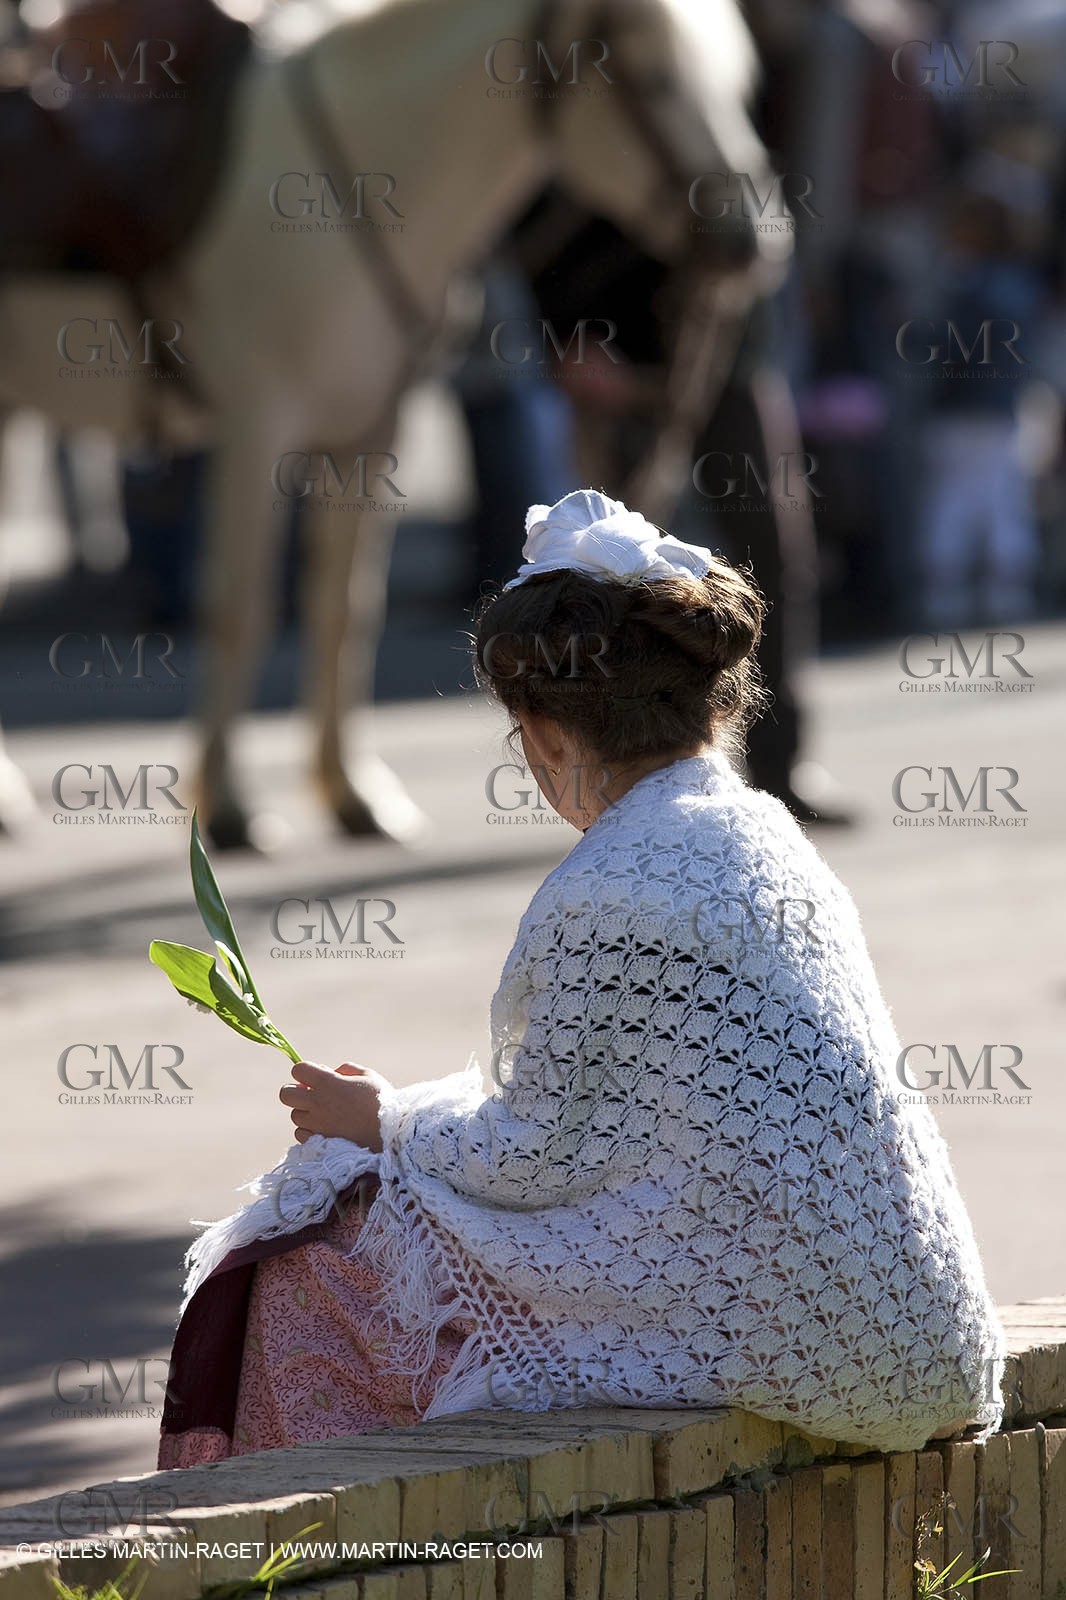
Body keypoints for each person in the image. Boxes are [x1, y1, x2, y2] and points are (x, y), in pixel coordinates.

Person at [159, 489, 1004, 1468]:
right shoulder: (768, 837)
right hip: (915, 1329)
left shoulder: (606, 889)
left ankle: (315, 1550)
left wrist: (380, 1122)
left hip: (791, 1342)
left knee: (322, 1256)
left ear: (548, 736)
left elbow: (537, 1155)